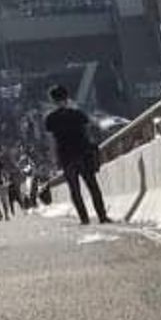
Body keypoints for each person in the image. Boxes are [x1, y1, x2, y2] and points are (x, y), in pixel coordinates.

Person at [43, 86, 107, 224]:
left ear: (52, 100)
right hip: (83, 153)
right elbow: (89, 131)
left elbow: (51, 141)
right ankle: (102, 216)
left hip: (66, 156)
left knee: (74, 189)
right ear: (67, 97)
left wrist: (54, 159)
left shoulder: (50, 118)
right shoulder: (78, 113)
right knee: (93, 186)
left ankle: (84, 219)